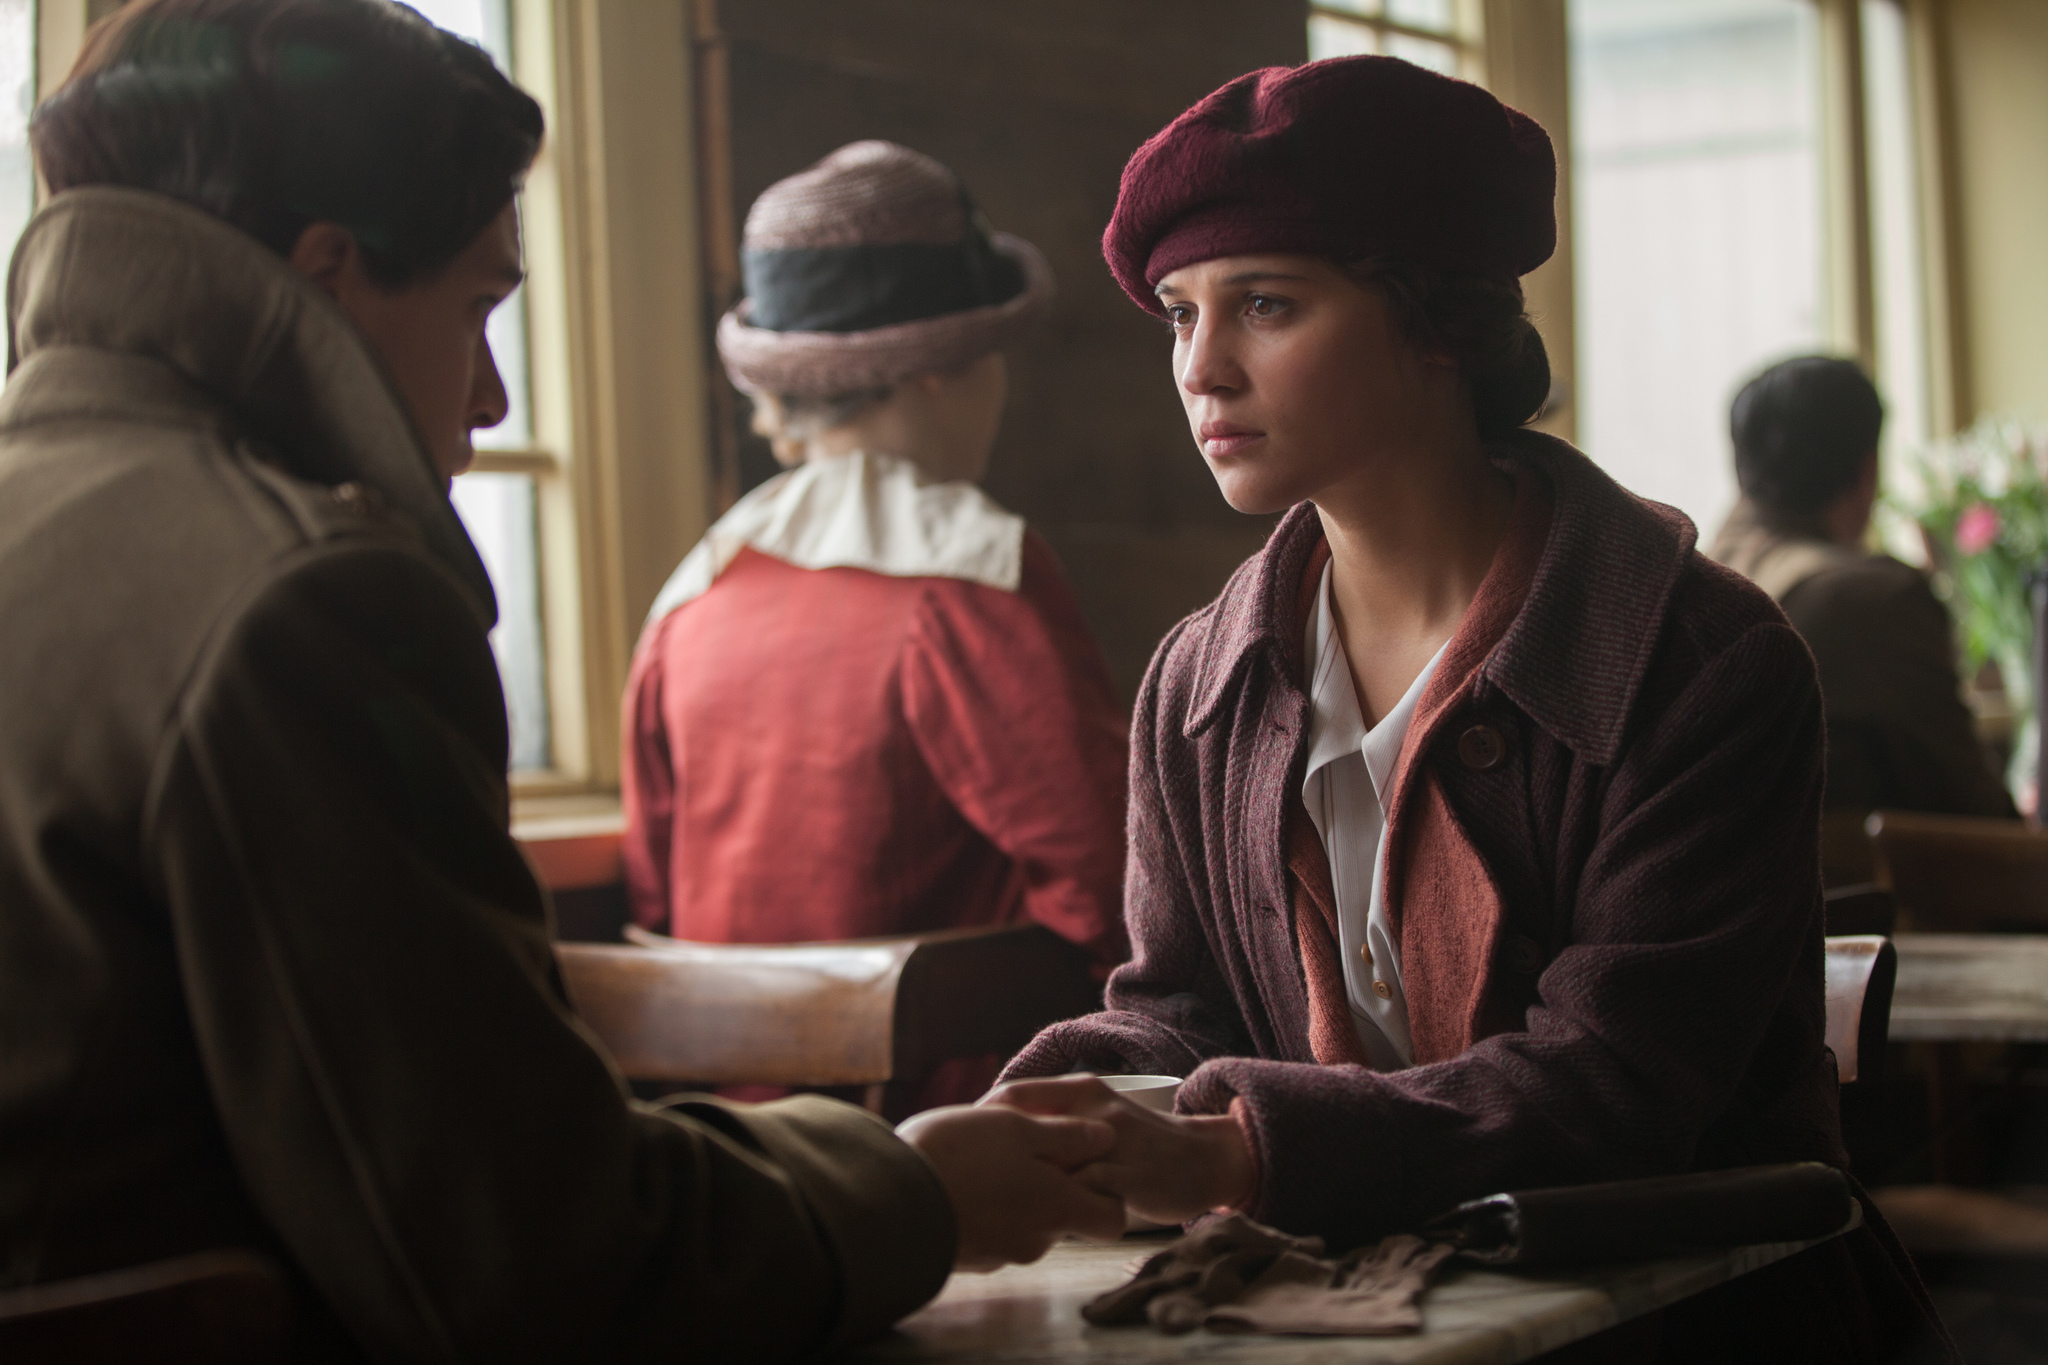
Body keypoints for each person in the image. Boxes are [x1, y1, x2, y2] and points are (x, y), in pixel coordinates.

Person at [0, 4, 1126, 1360]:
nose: (489, 396)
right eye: (481, 304)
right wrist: (920, 1183)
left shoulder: (691, 599)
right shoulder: (302, 600)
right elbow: (532, 1261)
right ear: (329, 271)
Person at [979, 57, 1955, 1361]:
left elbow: (1617, 1086)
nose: (1201, 368)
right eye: (1177, 314)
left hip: (1698, 1319)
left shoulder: (1702, 661)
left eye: (1265, 304)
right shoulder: (1198, 681)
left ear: (1439, 321)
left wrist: (1229, 1154)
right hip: (1360, 1318)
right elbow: (1179, 1009)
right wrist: (1051, 1108)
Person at [621, 141, 1129, 1105]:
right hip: (941, 1136)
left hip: (728, 1139)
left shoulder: (693, 595)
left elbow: (653, 892)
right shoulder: (969, 581)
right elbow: (1111, 886)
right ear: (943, 366)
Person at [1709, 355, 2014, 820]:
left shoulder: (1689, 575)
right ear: (1867, 470)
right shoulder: (1872, 599)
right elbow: (1976, 810)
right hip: (1845, 890)